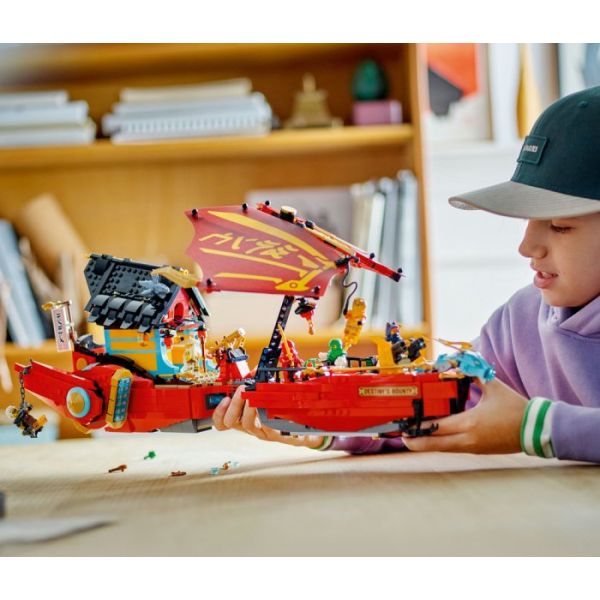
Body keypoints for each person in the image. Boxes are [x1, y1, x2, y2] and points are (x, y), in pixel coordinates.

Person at [213, 85, 600, 463]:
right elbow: (435, 404)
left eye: (560, 226)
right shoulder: (518, 322)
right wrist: (324, 423)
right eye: (529, 219)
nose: (527, 246)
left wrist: (537, 428)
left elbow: (522, 424)